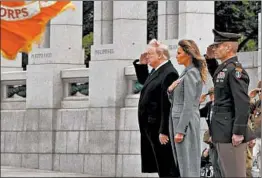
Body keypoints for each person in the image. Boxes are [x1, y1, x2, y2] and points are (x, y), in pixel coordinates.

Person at [205, 29, 255, 177]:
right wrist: (209, 59)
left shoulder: (235, 71)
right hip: (222, 131)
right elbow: (218, 77)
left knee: (234, 174)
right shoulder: (226, 68)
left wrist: (238, 132)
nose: (215, 49)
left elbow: (242, 103)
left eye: (218, 46)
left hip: (230, 133)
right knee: (226, 173)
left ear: (228, 47)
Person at [133, 39, 179, 177]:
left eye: (150, 54)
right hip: (151, 127)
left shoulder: (169, 73)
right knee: (160, 164)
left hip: (159, 128)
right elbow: (145, 83)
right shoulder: (157, 71)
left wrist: (164, 130)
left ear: (161, 55)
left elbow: (167, 104)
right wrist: (141, 64)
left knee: (166, 165)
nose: (147, 57)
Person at [167, 39, 208, 177]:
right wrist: (170, 90)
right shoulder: (186, 72)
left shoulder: (191, 73)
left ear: (188, 54)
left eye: (179, 53)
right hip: (181, 121)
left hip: (185, 124)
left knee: (188, 164)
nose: (176, 56)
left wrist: (180, 130)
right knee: (184, 164)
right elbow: (178, 100)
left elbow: (189, 104)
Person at [199, 87, 222, 177]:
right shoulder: (209, 105)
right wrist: (198, 102)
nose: (212, 96)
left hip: (221, 140)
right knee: (214, 163)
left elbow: (223, 123)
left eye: (214, 94)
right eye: (211, 95)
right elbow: (197, 113)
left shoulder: (223, 106)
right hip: (212, 141)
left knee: (222, 164)